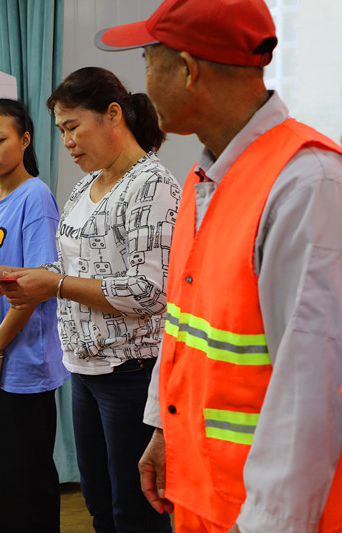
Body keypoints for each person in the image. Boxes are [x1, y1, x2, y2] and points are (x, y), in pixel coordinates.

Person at [94, 0, 342, 531]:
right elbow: (184, 324)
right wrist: (163, 428)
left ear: (187, 70)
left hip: (262, 512)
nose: (144, 84)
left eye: (148, 61)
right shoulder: (204, 179)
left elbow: (312, 393)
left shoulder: (306, 185)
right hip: (202, 492)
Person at [0, 67, 180, 533]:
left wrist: (55, 285)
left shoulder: (152, 185)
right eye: (61, 131)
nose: (66, 142)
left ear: (113, 114)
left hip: (131, 371)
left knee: (135, 512)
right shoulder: (87, 184)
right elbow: (74, 266)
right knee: (98, 502)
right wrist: (28, 276)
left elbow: (149, 291)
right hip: (84, 369)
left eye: (72, 127)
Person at [0, 98, 69, 532]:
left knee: (22, 489)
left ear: (25, 140)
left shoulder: (35, 197)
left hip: (20, 366)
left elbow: (33, 289)